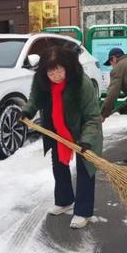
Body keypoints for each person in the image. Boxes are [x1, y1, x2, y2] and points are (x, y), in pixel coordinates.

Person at [21, 45, 103, 229]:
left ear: (67, 66)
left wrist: (87, 139)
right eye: (51, 71)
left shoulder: (82, 83)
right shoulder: (41, 80)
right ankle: (65, 200)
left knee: (85, 169)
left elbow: (92, 116)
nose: (56, 75)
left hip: (84, 130)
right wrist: (27, 111)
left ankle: (83, 211)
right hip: (57, 129)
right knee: (58, 165)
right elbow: (35, 99)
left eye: (59, 69)